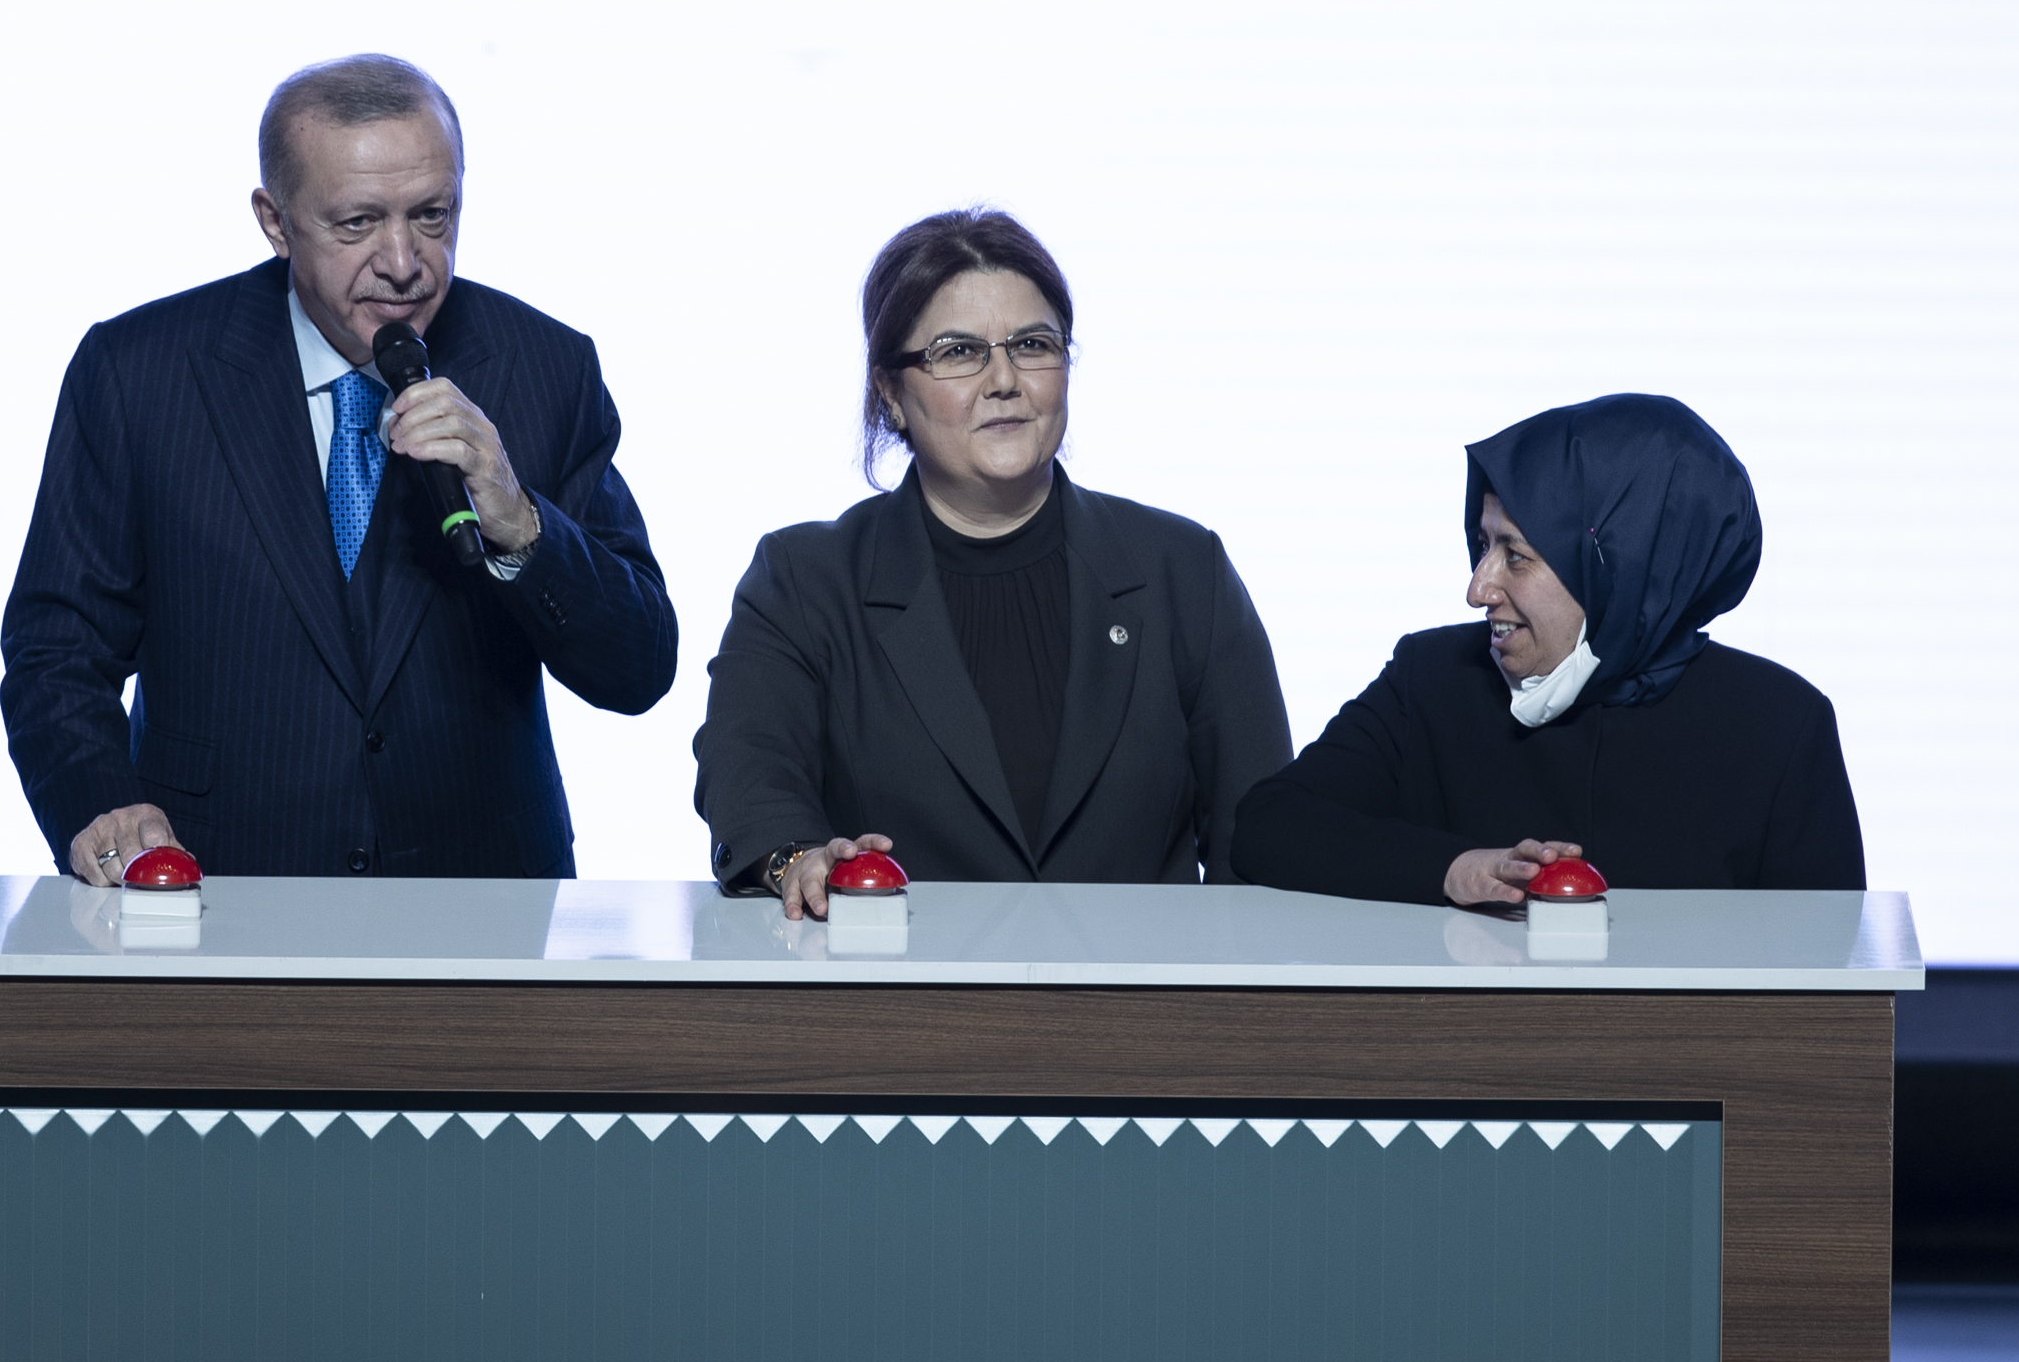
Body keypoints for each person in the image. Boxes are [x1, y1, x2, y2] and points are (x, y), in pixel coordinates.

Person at [0, 55, 676, 881]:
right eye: (358, 223)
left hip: (481, 903)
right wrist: (105, 810)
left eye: (432, 215)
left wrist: (523, 526)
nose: (404, 261)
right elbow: (56, 652)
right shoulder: (137, 373)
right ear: (276, 221)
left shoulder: (547, 367)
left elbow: (640, 668)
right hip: (212, 892)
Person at [692, 210, 1292, 916]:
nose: (1004, 379)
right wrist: (799, 861)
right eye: (958, 352)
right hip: (894, 982)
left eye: (1033, 345)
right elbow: (749, 779)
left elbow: (1260, 844)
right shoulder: (804, 581)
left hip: (1145, 986)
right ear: (890, 392)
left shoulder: (1184, 571)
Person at [1231, 393, 1862, 905]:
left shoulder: (1780, 725)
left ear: (1622, 568)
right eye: (1484, 545)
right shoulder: (1431, 679)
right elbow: (1269, 826)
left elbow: (1835, 980)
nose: (1477, 590)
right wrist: (1451, 868)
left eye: (1516, 555)